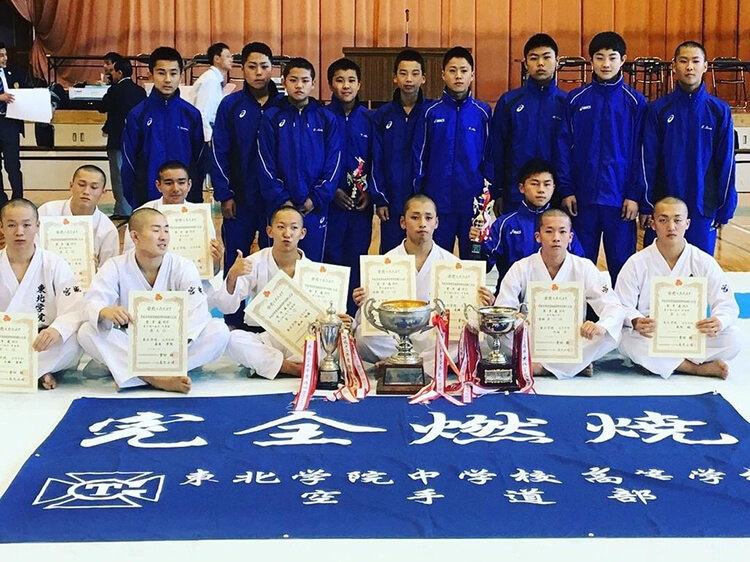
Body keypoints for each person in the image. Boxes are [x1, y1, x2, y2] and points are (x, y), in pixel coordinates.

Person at [78, 208, 229, 393]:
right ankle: (156, 378)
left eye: (166, 230)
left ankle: (135, 376)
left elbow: (197, 311)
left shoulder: (183, 266)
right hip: (131, 341)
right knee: (86, 331)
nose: (163, 237)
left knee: (219, 331)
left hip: (175, 345)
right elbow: (92, 302)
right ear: (135, 236)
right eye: (156, 230)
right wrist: (104, 311)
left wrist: (179, 344)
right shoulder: (115, 266)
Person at [353, 194, 494, 372]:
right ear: (403, 222)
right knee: (363, 336)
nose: (422, 224)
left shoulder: (451, 263)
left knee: (463, 335)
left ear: (436, 222)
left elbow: (467, 316)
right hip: (395, 336)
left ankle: (401, 364)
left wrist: (484, 303)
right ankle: (416, 363)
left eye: (428, 218)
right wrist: (363, 301)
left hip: (432, 335)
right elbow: (367, 318)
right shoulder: (384, 263)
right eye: (415, 217)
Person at [616, 197, 742, 379]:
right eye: (663, 220)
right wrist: (635, 320)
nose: (671, 227)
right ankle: (694, 368)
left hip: (691, 332)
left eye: (677, 220)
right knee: (626, 339)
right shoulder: (636, 263)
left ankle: (660, 363)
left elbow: (726, 304)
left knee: (734, 338)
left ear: (687, 224)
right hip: (651, 334)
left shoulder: (703, 261)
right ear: (653, 224)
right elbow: (621, 305)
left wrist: (718, 321)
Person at [557, 32, 647, 286]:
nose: (606, 64)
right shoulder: (576, 99)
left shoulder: (635, 102)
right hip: (582, 200)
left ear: (623, 60)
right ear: (591, 61)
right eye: (599, 57)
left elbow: (642, 153)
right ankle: (582, 310)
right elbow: (563, 147)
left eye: (612, 57)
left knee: (623, 268)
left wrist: (634, 194)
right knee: (580, 267)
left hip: (620, 202)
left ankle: (622, 310)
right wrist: (567, 189)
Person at [496, 208, 625, 378]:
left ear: (570, 237)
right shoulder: (521, 267)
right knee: (497, 335)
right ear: (538, 236)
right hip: (532, 336)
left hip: (569, 338)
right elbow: (503, 307)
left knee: (610, 334)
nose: (556, 237)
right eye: (549, 231)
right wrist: (517, 319)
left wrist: (600, 326)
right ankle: (574, 365)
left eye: (562, 232)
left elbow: (613, 306)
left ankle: (541, 368)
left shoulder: (584, 267)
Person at [639, 41, 737, 255]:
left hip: (703, 207)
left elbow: (726, 163)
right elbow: (648, 161)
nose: (689, 67)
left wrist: (725, 206)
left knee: (699, 269)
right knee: (657, 269)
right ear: (674, 66)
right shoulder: (658, 109)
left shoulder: (719, 111)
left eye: (695, 61)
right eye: (683, 61)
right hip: (664, 206)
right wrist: (646, 205)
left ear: (705, 66)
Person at [211, 41, 280, 328]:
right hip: (239, 198)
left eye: (264, 66)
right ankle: (233, 319)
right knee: (237, 256)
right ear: (242, 69)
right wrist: (225, 193)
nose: (258, 72)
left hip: (275, 200)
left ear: (273, 68)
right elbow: (219, 150)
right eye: (252, 66)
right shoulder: (231, 105)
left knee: (274, 260)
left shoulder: (283, 105)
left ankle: (270, 321)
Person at [258, 57, 341, 262]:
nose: (299, 86)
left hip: (314, 208)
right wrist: (283, 201)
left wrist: (314, 199)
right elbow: (265, 164)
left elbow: (333, 164)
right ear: (284, 82)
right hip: (280, 207)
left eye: (305, 80)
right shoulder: (271, 117)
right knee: (277, 266)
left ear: (313, 83)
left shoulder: (326, 118)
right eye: (293, 80)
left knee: (311, 266)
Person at [413, 46, 492, 259]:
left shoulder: (483, 113)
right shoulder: (430, 112)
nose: (458, 76)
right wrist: (420, 194)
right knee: (437, 261)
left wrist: (486, 198)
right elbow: (420, 156)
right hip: (437, 203)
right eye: (452, 70)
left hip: (472, 204)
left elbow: (489, 157)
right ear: (443, 75)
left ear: (472, 75)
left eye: (464, 71)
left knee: (473, 261)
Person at [214, 205, 310, 379]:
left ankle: (271, 364)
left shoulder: (313, 271)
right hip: (268, 338)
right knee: (234, 339)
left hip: (301, 338)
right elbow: (226, 307)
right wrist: (232, 276)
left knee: (334, 341)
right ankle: (292, 368)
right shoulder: (254, 262)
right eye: (281, 227)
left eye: (294, 228)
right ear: (269, 231)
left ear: (302, 233)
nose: (287, 234)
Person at [0, 199, 84, 390]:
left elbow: (74, 308)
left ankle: (22, 372)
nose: (19, 231)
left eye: (26, 225)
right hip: (6, 341)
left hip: (43, 342)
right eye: (11, 225)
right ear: (2, 227)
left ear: (37, 226)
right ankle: (37, 372)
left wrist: (56, 330)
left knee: (76, 340)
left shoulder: (55, 264)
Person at [471, 158, 584, 293]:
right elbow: (483, 267)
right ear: (522, 188)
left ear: (553, 188)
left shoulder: (563, 226)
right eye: (534, 184)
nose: (541, 190)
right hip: (511, 298)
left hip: (552, 299)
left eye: (547, 184)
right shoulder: (505, 224)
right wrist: (477, 243)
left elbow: (580, 268)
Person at [324, 58, 381, 316]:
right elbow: (316, 160)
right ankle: (330, 317)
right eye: (339, 80)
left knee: (357, 258)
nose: (345, 86)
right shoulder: (322, 117)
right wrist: (332, 191)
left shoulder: (370, 119)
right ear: (330, 84)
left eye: (351, 80)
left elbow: (377, 159)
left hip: (360, 205)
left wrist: (370, 193)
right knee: (331, 259)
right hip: (330, 203)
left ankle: (353, 318)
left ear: (359, 85)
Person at [490, 34, 566, 215]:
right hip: (515, 195)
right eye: (534, 58)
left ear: (557, 62)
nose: (540, 63)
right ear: (525, 64)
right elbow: (497, 149)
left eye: (546, 57)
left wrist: (567, 192)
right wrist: (498, 191)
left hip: (555, 196)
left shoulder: (567, 103)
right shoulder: (509, 101)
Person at [121, 46, 205, 208]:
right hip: (147, 199)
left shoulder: (191, 115)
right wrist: (136, 201)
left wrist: (195, 198)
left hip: (184, 200)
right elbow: (129, 161)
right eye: (161, 73)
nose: (167, 79)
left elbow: (199, 161)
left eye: (173, 73)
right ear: (150, 75)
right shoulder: (137, 115)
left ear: (181, 76)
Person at [122, 161, 222, 286]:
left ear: (189, 185)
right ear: (158, 185)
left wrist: (215, 261)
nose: (176, 189)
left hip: (191, 283)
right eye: (168, 183)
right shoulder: (142, 215)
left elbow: (213, 271)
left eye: (181, 182)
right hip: (151, 282)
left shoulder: (200, 216)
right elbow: (128, 260)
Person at [371, 49, 429, 253]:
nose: (409, 79)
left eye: (415, 73)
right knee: (392, 257)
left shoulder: (431, 113)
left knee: (423, 254)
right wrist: (380, 199)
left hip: (422, 201)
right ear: (395, 78)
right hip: (392, 202)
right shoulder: (382, 115)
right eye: (403, 73)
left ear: (423, 78)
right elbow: (375, 159)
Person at [38, 165, 119, 269]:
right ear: (71, 185)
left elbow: (109, 271)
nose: (86, 191)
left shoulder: (108, 230)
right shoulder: (47, 212)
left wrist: (95, 270)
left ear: (103, 192)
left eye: (94, 187)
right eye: (81, 185)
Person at [98, 58, 146, 219]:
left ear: (119, 72)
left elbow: (102, 107)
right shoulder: (140, 91)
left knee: (118, 174)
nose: (111, 74)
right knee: (134, 173)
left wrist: (110, 87)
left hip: (117, 138)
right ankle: (136, 206)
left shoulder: (115, 90)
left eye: (113, 71)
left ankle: (122, 209)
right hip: (136, 139)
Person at [0, 42, 29, 205]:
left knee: (13, 165)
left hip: (9, 123)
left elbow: (26, 92)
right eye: (1, 56)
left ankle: (18, 198)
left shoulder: (15, 72)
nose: (4, 58)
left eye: (5, 55)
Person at [192, 42, 233, 143]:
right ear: (217, 59)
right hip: (207, 135)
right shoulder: (211, 80)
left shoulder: (214, 79)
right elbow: (202, 112)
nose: (231, 60)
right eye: (228, 56)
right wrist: (208, 138)